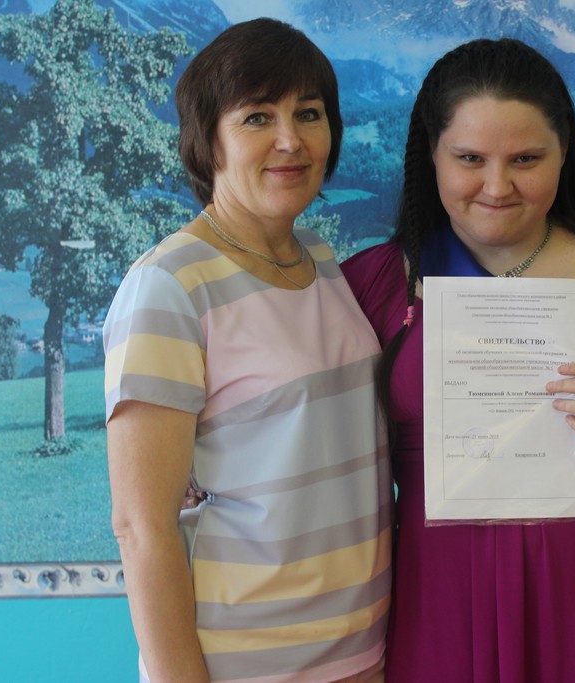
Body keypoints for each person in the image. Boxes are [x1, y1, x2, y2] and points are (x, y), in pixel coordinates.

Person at [341, 38, 575, 682]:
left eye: (526, 159)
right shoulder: (370, 285)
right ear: (432, 154)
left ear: (565, 153)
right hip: (438, 594)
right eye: (470, 159)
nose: (497, 186)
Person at [104, 19, 391, 683]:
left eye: (309, 113)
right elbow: (142, 528)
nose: (291, 139)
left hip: (362, 652)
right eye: (257, 116)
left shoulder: (318, 256)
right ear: (208, 140)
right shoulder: (170, 285)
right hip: (245, 664)